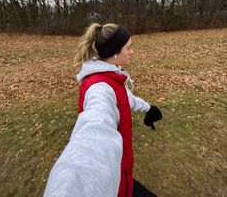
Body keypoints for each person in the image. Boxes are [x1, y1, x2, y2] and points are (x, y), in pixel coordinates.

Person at [44, 23, 162, 197]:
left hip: (122, 174)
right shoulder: (100, 89)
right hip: (115, 185)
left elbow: (125, 97)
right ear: (114, 51)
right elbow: (95, 132)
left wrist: (148, 108)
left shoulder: (110, 76)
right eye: (128, 48)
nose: (132, 52)